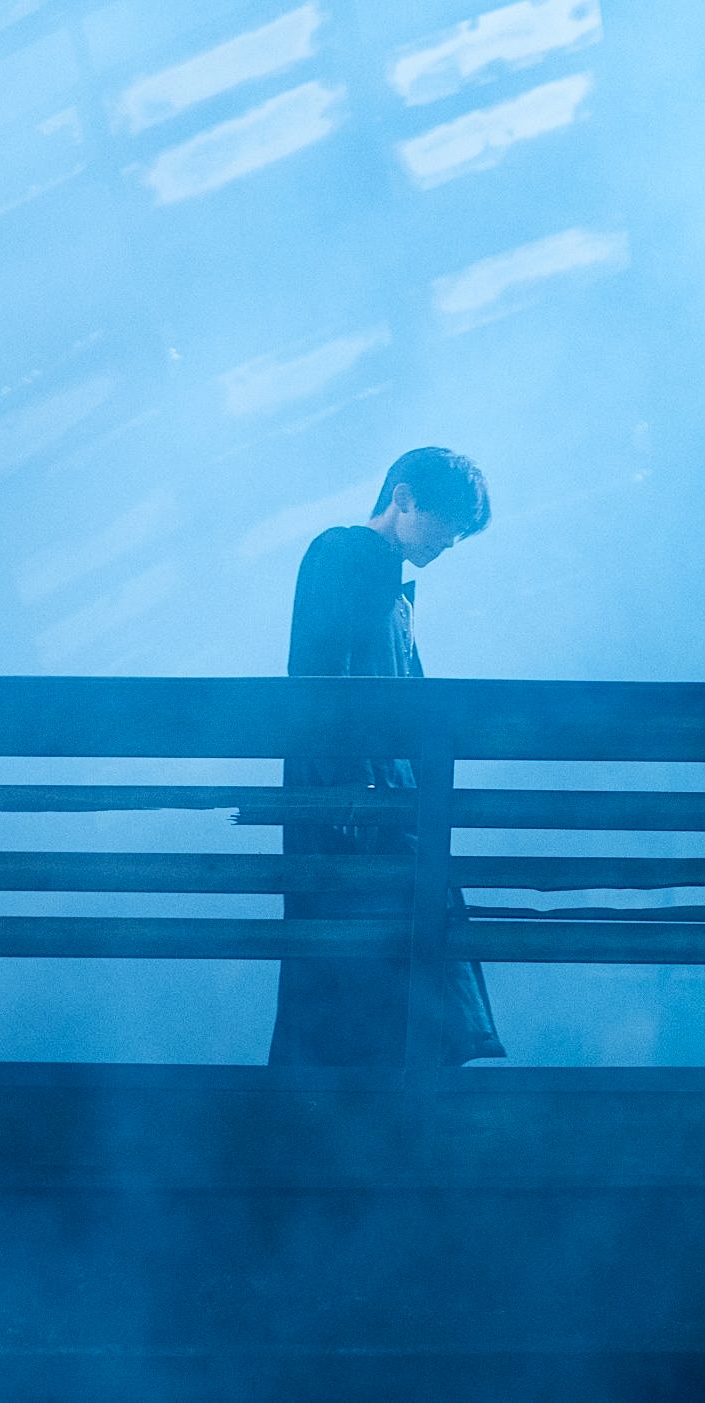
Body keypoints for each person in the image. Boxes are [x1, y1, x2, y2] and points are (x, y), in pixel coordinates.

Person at [264, 447, 505, 1067]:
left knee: (386, 962)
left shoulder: (390, 590)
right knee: (371, 956)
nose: (451, 540)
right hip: (355, 803)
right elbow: (320, 678)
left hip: (381, 802)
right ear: (402, 498)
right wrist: (346, 790)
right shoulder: (342, 552)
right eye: (446, 521)